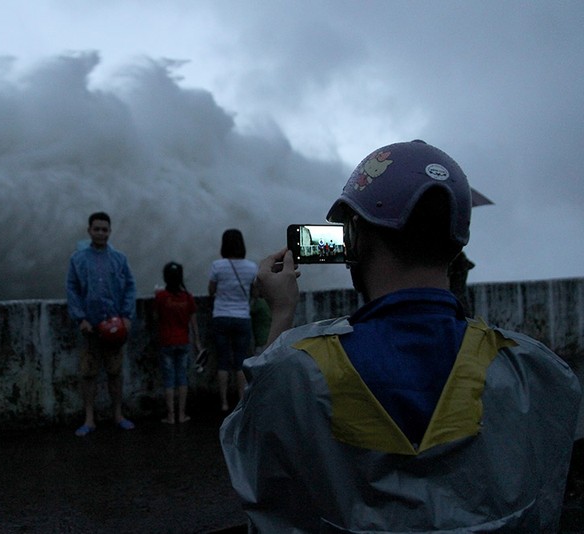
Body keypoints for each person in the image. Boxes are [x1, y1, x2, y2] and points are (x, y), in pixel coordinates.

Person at [221, 140, 581, 532]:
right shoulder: (539, 372)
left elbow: (255, 460)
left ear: (356, 236)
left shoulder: (295, 369)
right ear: (458, 241)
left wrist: (282, 314)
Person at [66, 211, 137, 437]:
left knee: (115, 372)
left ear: (109, 231)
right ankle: (89, 418)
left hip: (115, 325)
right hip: (90, 328)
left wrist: (127, 316)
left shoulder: (119, 259)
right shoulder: (77, 259)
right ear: (89, 231)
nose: (100, 233)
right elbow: (72, 289)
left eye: (104, 229)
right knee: (89, 373)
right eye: (96, 229)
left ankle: (118, 415)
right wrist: (80, 318)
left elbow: (130, 288)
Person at [209, 229, 258, 412]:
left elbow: (211, 291)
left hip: (221, 316)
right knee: (240, 362)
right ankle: (241, 401)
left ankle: (223, 403)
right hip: (242, 318)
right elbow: (254, 293)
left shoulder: (217, 266)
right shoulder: (251, 267)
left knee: (222, 361)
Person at [154, 262, 202, 424]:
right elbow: (194, 323)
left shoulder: (161, 297)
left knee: (169, 380)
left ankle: (170, 415)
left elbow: (156, 316)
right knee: (182, 378)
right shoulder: (187, 297)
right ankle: (182, 415)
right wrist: (197, 342)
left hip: (166, 341)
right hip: (183, 341)